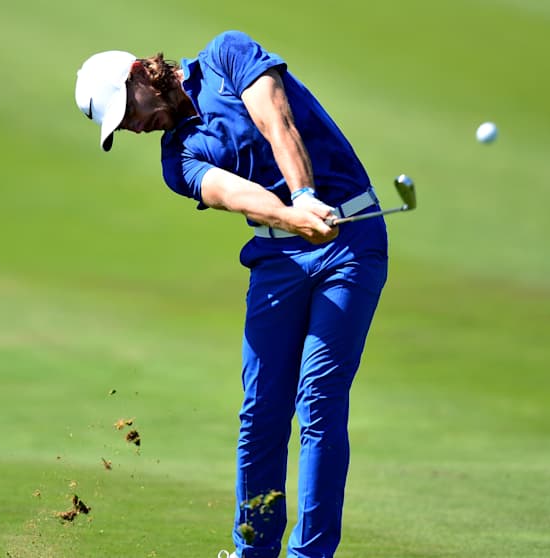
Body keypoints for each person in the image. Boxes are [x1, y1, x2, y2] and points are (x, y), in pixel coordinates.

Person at [74, 30, 388, 558]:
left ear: (140, 73)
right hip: (276, 258)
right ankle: (252, 552)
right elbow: (233, 192)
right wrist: (292, 216)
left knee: (319, 400)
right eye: (124, 126)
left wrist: (305, 195)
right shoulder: (177, 161)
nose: (135, 126)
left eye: (129, 111)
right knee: (261, 412)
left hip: (350, 241)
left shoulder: (228, 54)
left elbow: (276, 122)